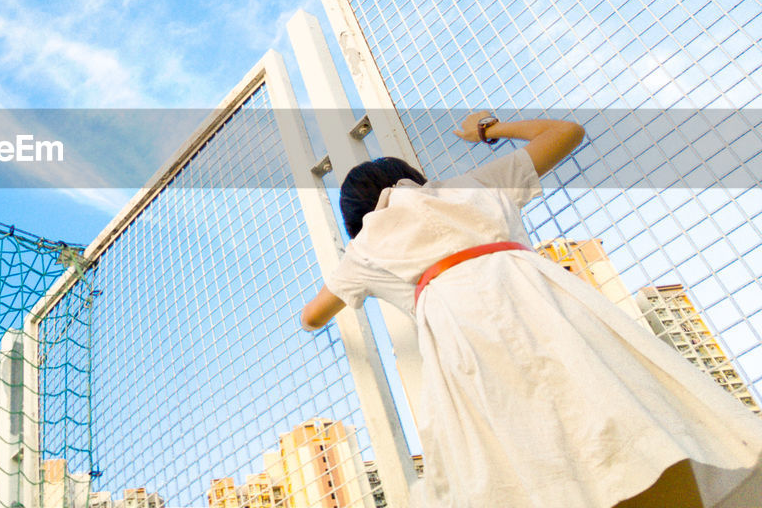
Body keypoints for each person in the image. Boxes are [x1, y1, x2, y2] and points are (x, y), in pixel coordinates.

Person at [300, 111, 762, 508]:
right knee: (633, 423)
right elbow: (566, 131)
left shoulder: (364, 248)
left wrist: (351, 276)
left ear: (356, 217)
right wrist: (488, 128)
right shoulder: (468, 187)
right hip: (549, 310)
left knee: (517, 464)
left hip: (472, 349)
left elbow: (311, 316)